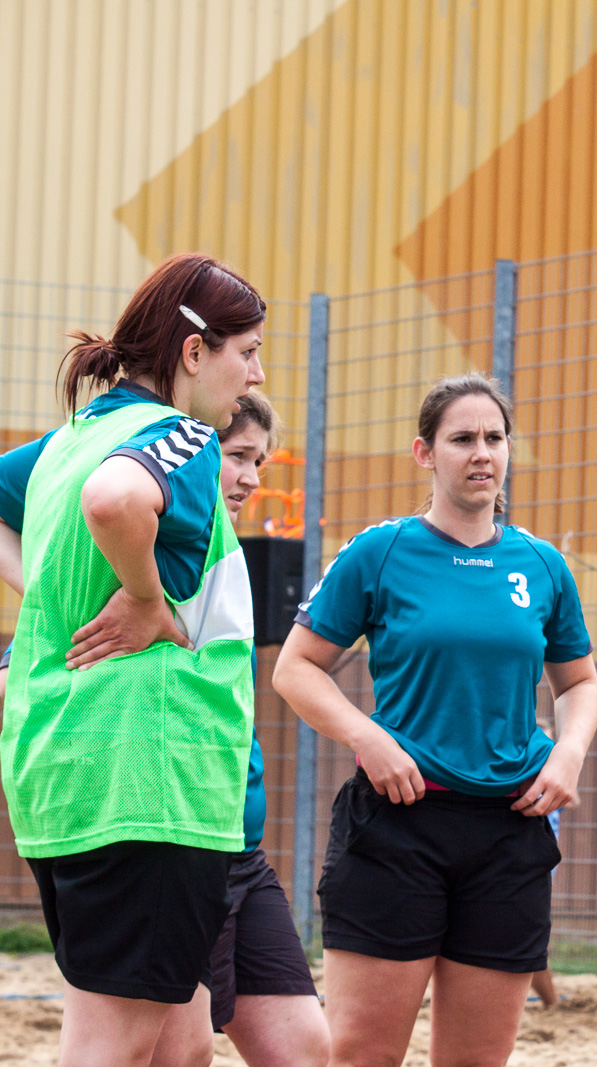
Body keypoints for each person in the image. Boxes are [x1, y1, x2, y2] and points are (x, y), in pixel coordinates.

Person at [273, 373, 597, 1067]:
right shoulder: (381, 551)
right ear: (425, 453)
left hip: (510, 831)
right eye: (462, 439)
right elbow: (296, 668)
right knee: (364, 1055)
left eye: (494, 437)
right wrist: (368, 736)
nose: (482, 452)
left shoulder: (542, 565)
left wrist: (569, 752)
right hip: (397, 823)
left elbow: (578, 681)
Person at [0, 253, 267, 1067]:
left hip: (67, 768)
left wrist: (46, 586)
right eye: (247, 350)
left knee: (179, 1044)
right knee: (110, 1047)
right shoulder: (178, 437)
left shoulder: (76, 435)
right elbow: (115, 501)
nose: (256, 372)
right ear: (194, 353)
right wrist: (148, 601)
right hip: (148, 779)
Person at [148, 393, 329, 1067]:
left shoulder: (230, 559)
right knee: (180, 1052)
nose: (252, 476)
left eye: (260, 458)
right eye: (236, 457)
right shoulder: (150, 557)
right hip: (166, 848)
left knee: (307, 1049)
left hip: (239, 849)